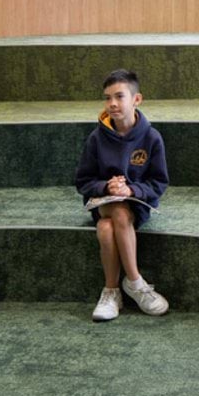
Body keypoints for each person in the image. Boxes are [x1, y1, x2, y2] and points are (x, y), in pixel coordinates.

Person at [74, 68, 170, 321]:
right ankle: (136, 281)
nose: (112, 104)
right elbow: (83, 181)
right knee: (116, 209)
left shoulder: (151, 137)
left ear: (136, 100)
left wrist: (131, 190)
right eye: (107, 98)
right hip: (104, 201)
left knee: (107, 228)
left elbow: (159, 182)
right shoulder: (96, 138)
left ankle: (112, 290)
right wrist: (107, 187)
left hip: (137, 205)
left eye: (119, 96)